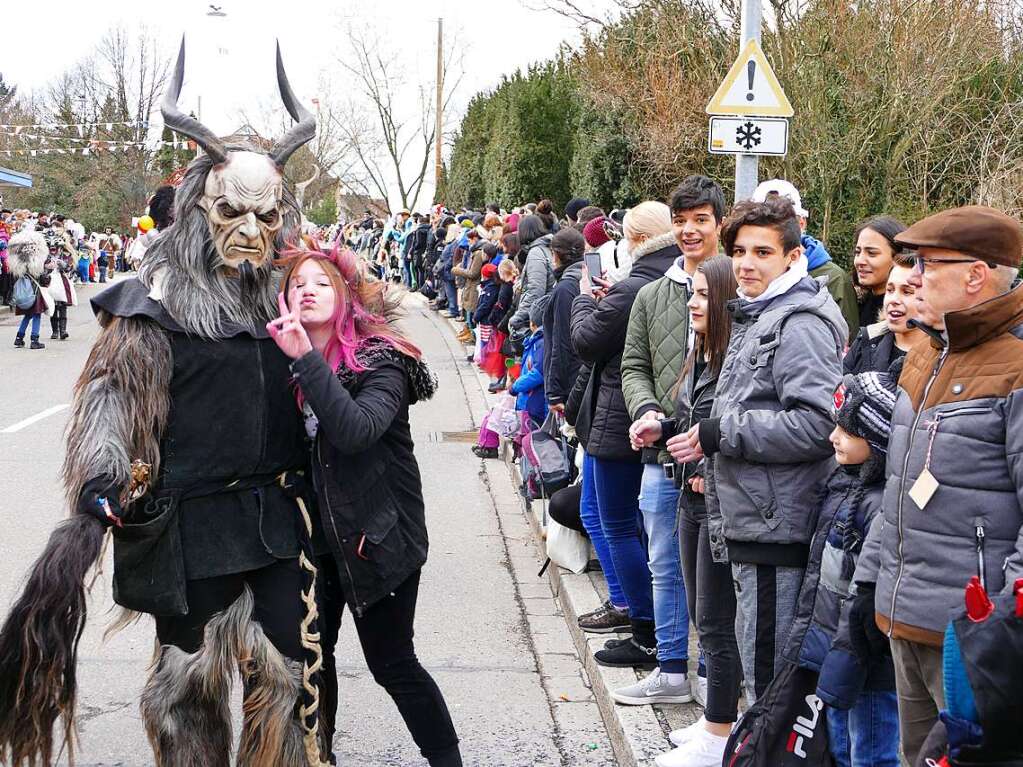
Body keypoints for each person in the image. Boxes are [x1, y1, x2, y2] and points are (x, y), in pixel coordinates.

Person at [0, 45, 332, 765]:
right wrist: (100, 484)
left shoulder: (288, 295)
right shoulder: (157, 302)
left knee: (285, 676)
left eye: (265, 215)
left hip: (275, 517)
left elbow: (341, 367)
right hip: (189, 525)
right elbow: (113, 396)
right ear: (198, 210)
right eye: (230, 212)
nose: (249, 229)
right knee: (188, 686)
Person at [268, 244, 462, 767]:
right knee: (314, 661)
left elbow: (355, 431)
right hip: (312, 542)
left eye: (322, 282)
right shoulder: (279, 359)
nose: (307, 289)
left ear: (347, 296)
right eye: (297, 283)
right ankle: (318, 755)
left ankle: (447, 761)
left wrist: (306, 359)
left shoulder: (382, 360)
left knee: (392, 662)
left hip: (378, 537)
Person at [673, 196, 847, 704]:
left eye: (763, 253)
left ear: (792, 258)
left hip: (778, 525)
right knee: (760, 674)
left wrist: (721, 432)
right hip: (752, 518)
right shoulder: (759, 313)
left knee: (770, 681)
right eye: (741, 251)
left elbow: (818, 425)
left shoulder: (801, 322)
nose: (747, 263)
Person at [867, 205, 1023, 764]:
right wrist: (871, 584)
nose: (911, 279)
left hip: (974, 641)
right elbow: (898, 483)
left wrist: (1001, 625)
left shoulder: (1017, 366)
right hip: (903, 616)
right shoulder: (928, 351)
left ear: (975, 275)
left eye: (928, 265)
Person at [615, 175, 725, 706]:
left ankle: (713, 675)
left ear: (718, 225)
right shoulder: (652, 294)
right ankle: (670, 668)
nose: (688, 230)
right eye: (680, 221)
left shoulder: (735, 289)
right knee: (664, 561)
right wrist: (646, 408)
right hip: (662, 454)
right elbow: (633, 363)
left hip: (718, 455)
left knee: (711, 572)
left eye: (700, 220)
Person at [630, 255, 742, 767]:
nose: (691, 302)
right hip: (692, 497)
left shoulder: (734, 358)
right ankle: (714, 723)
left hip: (720, 502)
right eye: (691, 293)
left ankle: (721, 734)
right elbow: (690, 423)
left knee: (718, 621)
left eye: (700, 295)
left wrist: (703, 452)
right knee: (703, 615)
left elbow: (728, 429)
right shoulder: (703, 353)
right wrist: (661, 428)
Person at [570, 201, 680, 669]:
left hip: (618, 418)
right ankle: (638, 615)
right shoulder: (666, 281)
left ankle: (642, 624)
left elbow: (585, 341)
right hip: (636, 414)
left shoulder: (635, 286)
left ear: (634, 240)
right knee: (618, 521)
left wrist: (581, 298)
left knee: (615, 523)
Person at [795, 368, 901, 767]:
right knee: (841, 747)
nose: (832, 437)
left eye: (845, 430)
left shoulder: (880, 503)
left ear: (875, 437)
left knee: (871, 751)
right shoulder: (848, 485)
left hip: (867, 656)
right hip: (838, 647)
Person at [752, 179, 859, 339]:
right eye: (763, 223)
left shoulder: (834, 279)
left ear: (801, 223)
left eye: (782, 221)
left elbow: (847, 344)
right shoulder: (750, 275)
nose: (773, 231)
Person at [844, 260, 923, 374]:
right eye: (890, 290)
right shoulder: (868, 337)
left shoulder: (940, 355)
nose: (893, 300)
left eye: (907, 292)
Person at [851, 216, 903, 330]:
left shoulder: (903, 316)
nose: (860, 261)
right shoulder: (854, 305)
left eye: (872, 253)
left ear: (897, 257)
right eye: (858, 252)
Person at [508, 214, 553, 340]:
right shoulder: (547, 247)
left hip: (540, 315)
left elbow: (535, 289)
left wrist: (519, 316)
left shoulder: (536, 253)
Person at [8, 230, 53, 349]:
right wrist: (49, 270)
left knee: (28, 315)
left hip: (24, 288)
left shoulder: (18, 262)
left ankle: (19, 338)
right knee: (37, 315)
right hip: (34, 290)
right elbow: (43, 278)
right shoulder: (37, 261)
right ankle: (34, 340)